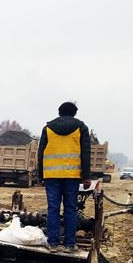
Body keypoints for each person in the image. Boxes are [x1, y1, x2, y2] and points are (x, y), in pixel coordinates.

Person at [37, 101, 93, 252]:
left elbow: (40, 153)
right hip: (71, 176)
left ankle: (53, 243)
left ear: (59, 112)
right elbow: (86, 153)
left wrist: (40, 175)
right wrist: (86, 177)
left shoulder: (48, 128)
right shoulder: (81, 127)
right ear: (74, 113)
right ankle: (69, 244)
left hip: (51, 176)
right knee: (70, 209)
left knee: (53, 209)